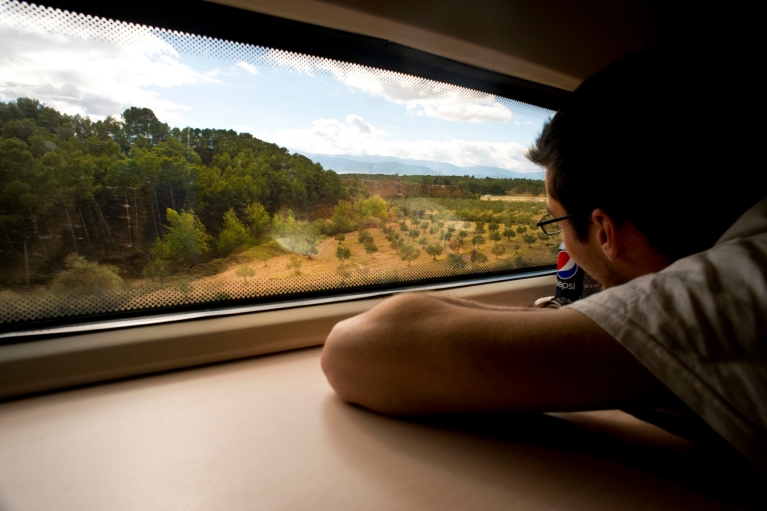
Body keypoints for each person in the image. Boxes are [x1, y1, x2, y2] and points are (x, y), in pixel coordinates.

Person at [320, 48, 767, 474]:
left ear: (605, 231)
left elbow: (359, 349)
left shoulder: (726, 296)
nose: (566, 246)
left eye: (557, 222)